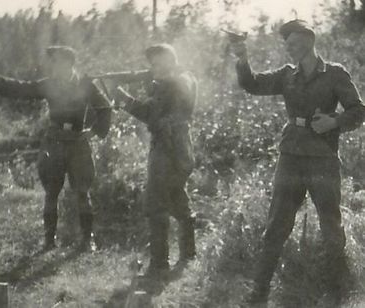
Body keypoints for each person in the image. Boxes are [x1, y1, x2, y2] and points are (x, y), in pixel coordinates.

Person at [230, 20, 365, 307]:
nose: (287, 47)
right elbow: (252, 85)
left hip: (322, 159)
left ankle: (335, 292)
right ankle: (260, 291)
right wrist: (242, 57)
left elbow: (358, 110)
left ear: (308, 39)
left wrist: (334, 121)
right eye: (285, 43)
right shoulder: (286, 75)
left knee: (331, 226)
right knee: (276, 224)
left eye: (292, 41)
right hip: (290, 156)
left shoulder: (335, 74)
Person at [0, 45, 112, 251]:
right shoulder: (49, 84)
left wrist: (93, 131)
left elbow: (105, 108)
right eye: (53, 62)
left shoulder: (86, 85)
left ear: (70, 63)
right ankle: (49, 241)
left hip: (78, 143)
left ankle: (88, 240)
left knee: (82, 191)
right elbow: (23, 88)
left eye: (59, 61)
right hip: (54, 142)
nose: (54, 66)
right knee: (51, 192)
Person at [107, 43, 198, 279]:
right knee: (177, 196)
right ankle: (189, 253)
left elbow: (155, 111)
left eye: (158, 63)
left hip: (169, 148)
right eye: (152, 64)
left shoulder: (180, 81)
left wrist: (126, 96)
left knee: (156, 202)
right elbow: (153, 109)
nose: (153, 68)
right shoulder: (173, 82)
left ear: (171, 61)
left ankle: (159, 264)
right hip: (176, 147)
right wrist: (126, 93)